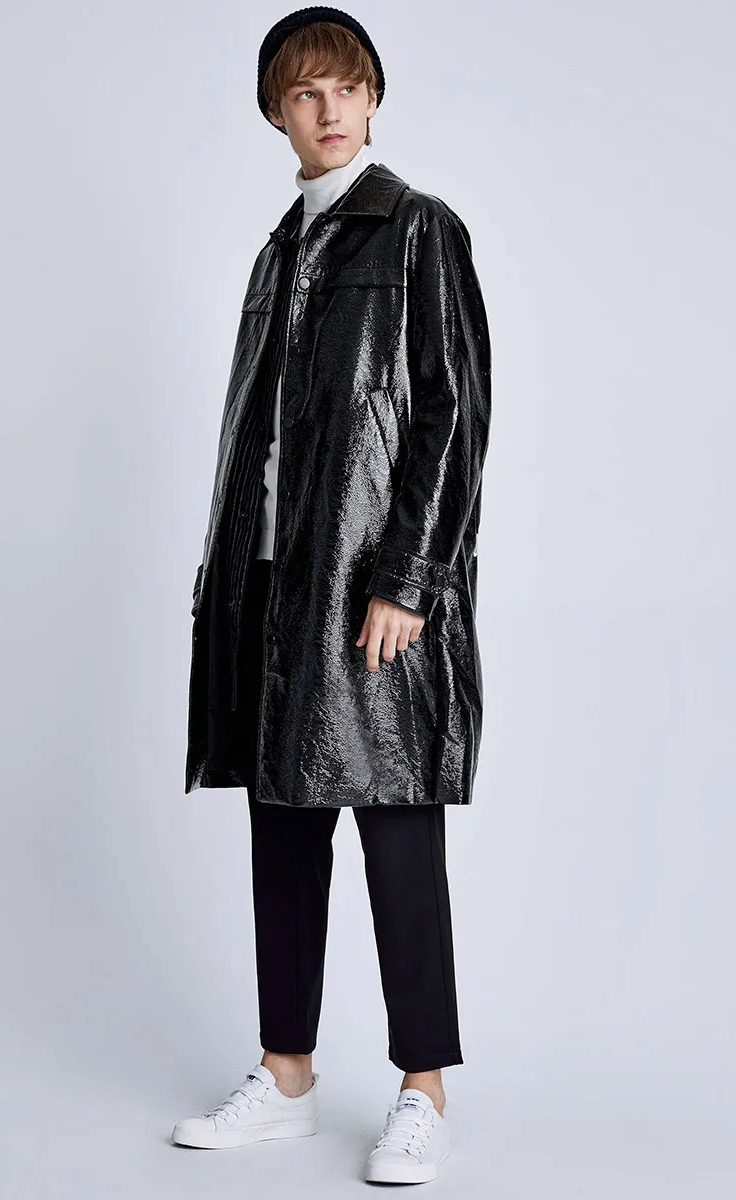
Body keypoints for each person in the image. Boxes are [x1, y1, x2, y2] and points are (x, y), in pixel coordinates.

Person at [175, 6, 491, 1185]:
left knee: (398, 824)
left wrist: (410, 577)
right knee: (284, 829)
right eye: (305, 93)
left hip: (370, 586)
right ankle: (288, 1077)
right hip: (271, 585)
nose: (330, 110)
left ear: (372, 99)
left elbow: (453, 414)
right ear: (276, 113)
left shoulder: (418, 231)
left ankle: (423, 1090)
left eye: (347, 88)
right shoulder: (279, 252)